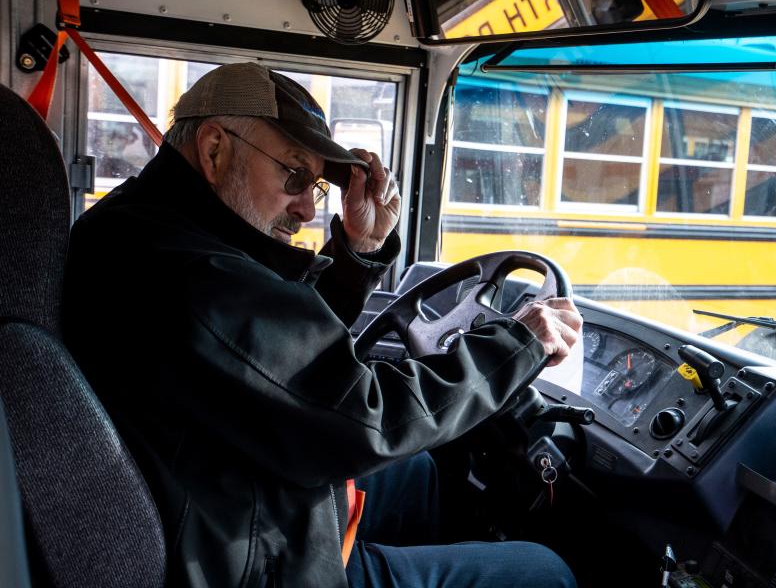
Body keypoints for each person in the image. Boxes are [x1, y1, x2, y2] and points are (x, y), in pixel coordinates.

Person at [63, 62, 582, 588]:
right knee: (546, 571)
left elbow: (272, 360)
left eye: (313, 185)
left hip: (223, 496)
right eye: (293, 175)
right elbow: (368, 422)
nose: (308, 208)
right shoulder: (198, 276)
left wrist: (357, 251)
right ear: (215, 149)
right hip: (250, 558)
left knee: (420, 473)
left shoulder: (137, 226)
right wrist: (518, 344)